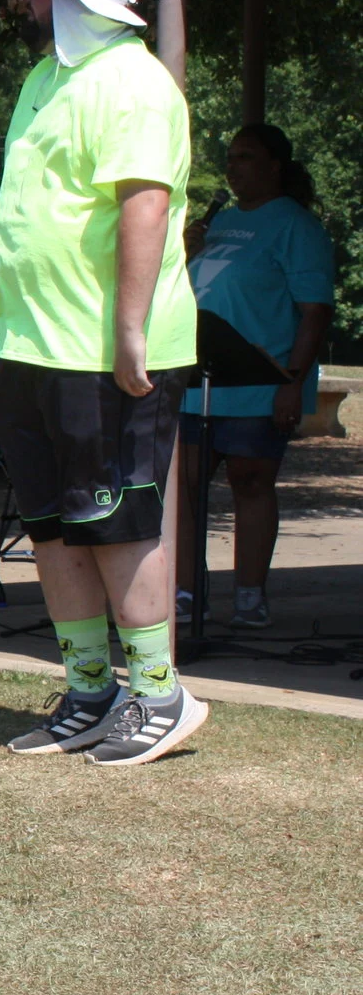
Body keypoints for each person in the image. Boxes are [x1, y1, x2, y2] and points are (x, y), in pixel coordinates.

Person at [0, 0, 204, 765]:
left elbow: (145, 207)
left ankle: (160, 694)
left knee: (116, 521)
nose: (28, 4)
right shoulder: (47, 78)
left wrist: (130, 331)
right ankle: (89, 688)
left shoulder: (136, 84)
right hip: (33, 341)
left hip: (104, 348)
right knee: (51, 523)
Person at [175, 122, 333, 629]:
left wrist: (293, 380)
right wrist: (185, 253)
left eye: (244, 157)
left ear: (274, 166)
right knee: (184, 488)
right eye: (229, 156)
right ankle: (185, 591)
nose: (232, 166)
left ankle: (248, 596)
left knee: (251, 481)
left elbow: (315, 312)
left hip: (259, 382)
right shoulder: (216, 222)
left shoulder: (296, 226)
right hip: (198, 380)